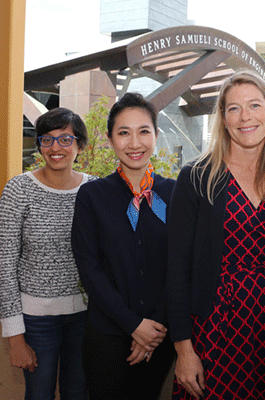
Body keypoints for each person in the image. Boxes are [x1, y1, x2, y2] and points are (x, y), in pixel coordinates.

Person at [167, 70, 265, 400]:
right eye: (233, 109)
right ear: (223, 120)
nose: (245, 117)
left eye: (254, 105)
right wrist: (184, 351)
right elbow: (176, 270)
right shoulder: (196, 178)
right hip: (211, 330)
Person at [71, 92, 175, 400]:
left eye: (144, 131)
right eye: (123, 133)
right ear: (110, 139)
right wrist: (134, 325)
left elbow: (181, 264)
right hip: (107, 335)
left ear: (156, 135)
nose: (134, 143)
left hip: (160, 335)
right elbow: (89, 269)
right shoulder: (92, 196)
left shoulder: (176, 192)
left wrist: (152, 328)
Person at [0, 107, 94, 400]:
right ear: (38, 145)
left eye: (65, 139)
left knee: (78, 393)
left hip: (85, 317)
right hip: (36, 321)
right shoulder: (19, 190)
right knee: (39, 395)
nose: (55, 148)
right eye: (46, 140)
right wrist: (15, 338)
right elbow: (5, 267)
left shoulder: (94, 189)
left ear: (79, 145)